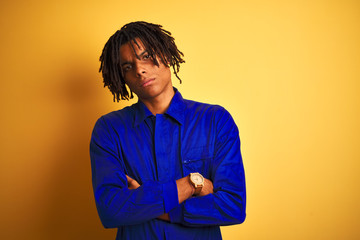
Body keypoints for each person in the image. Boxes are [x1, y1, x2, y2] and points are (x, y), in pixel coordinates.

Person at [90, 21, 246, 240]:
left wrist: (147, 205)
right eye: (128, 67)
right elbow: (111, 210)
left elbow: (233, 207)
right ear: (122, 78)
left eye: (146, 56)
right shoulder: (109, 130)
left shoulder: (215, 120)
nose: (139, 69)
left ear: (167, 55)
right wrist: (192, 184)